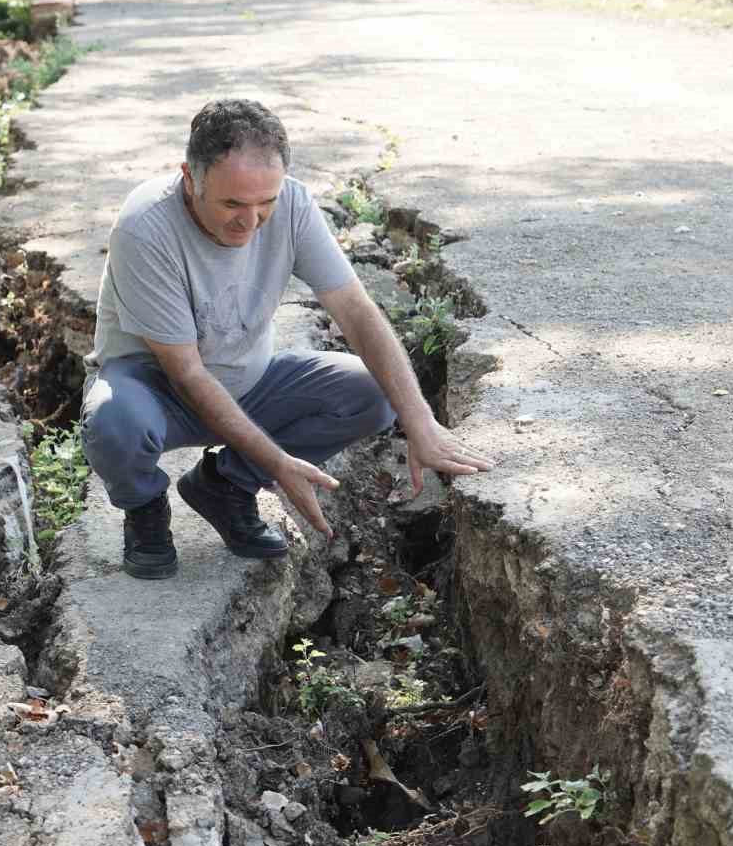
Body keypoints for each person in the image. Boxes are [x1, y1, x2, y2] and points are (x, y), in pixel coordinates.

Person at [80, 98, 494, 579]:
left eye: (265, 203)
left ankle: (226, 486)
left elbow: (357, 312)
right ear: (189, 180)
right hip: (157, 392)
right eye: (232, 203)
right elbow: (188, 373)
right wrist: (277, 462)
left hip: (249, 381)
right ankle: (145, 507)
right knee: (112, 421)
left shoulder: (293, 203)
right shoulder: (146, 226)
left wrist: (419, 419)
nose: (251, 222)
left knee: (377, 393)